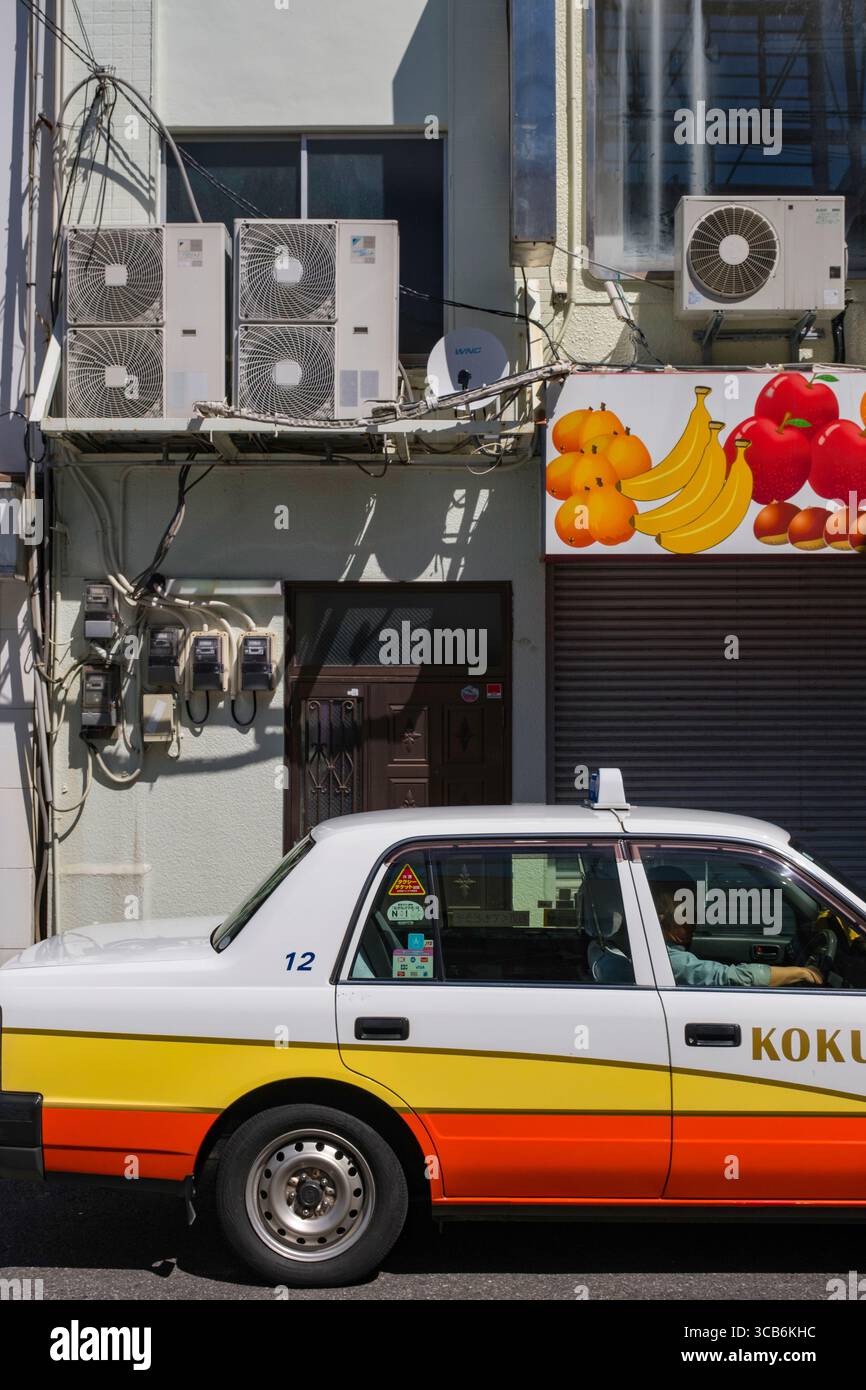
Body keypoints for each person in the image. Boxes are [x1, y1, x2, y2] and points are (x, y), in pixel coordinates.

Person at [650, 878, 823, 988]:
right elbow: (729, 977)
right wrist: (801, 973)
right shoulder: (666, 960)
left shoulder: (663, 952)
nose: (695, 919)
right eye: (685, 913)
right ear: (660, 920)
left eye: (695, 910)